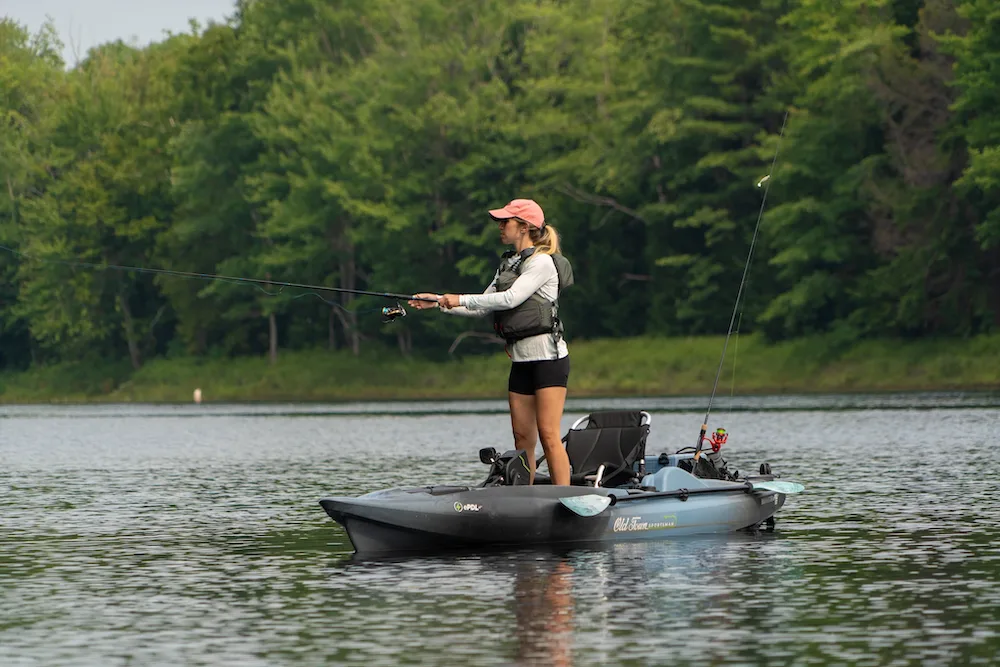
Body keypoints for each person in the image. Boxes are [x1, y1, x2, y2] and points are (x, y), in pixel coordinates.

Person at [409, 198, 572, 486]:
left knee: (548, 434)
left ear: (524, 227)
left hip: (549, 359)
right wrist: (437, 302)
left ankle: (565, 497)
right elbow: (483, 306)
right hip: (521, 361)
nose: (500, 226)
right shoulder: (508, 265)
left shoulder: (542, 263)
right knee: (523, 439)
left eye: (505, 221)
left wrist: (459, 298)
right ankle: (526, 499)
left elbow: (511, 298)